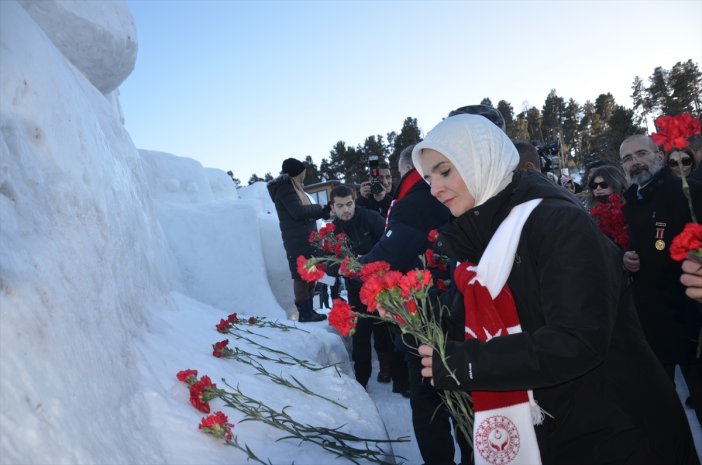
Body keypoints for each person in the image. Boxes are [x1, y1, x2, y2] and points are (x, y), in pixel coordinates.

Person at [412, 114, 697, 464]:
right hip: (555, 431)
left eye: (444, 171)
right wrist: (415, 319)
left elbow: (577, 338)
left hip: (615, 431)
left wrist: (467, 364)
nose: (434, 188)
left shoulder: (556, 221)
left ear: (480, 161)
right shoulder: (480, 238)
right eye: (428, 178)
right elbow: (482, 316)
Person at [361, 144, 470, 465]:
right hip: (461, 311)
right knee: (465, 395)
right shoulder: (451, 193)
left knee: (428, 402)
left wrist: (356, 266)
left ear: (404, 169)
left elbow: (389, 253)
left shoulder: (412, 203)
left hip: (424, 315)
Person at [620, 134, 702, 425]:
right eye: (627, 159)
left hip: (691, 314)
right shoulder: (632, 202)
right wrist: (627, 257)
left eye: (641, 154)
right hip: (654, 320)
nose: (635, 162)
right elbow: (643, 244)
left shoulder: (687, 193)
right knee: (664, 411)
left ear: (658, 154)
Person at [328, 185, 388, 388]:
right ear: (332, 207)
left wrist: (369, 260)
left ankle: (393, 374)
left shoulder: (371, 218)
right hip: (355, 289)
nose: (346, 209)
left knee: (385, 328)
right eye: (340, 206)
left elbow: (389, 244)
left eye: (349, 204)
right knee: (361, 333)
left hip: (381, 285)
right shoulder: (331, 231)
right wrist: (338, 268)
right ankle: (361, 380)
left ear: (354, 202)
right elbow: (327, 260)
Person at [267, 157, 329, 322]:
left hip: (306, 239)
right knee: (301, 277)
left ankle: (310, 311)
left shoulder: (295, 188)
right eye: (303, 172)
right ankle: (305, 313)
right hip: (297, 240)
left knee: (311, 275)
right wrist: (321, 209)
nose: (305, 175)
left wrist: (321, 212)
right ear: (297, 173)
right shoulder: (285, 189)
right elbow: (298, 212)